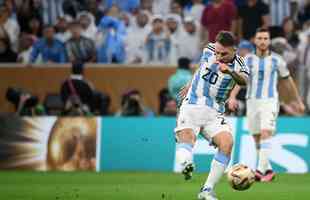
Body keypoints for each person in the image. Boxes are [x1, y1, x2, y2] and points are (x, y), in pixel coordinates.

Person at [175, 31, 249, 200]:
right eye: (217, 52)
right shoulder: (208, 49)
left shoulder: (240, 65)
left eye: (224, 54)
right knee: (186, 137)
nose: (219, 56)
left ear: (234, 50)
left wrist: (229, 71)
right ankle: (186, 164)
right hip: (192, 104)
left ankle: (206, 190)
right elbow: (201, 67)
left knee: (227, 143)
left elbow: (243, 81)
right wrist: (189, 83)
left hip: (214, 112)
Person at [228, 28, 305, 182]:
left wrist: (298, 101)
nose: (263, 41)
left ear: (269, 41)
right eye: (260, 38)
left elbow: (288, 81)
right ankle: (268, 170)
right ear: (255, 41)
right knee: (257, 138)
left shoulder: (277, 60)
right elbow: (241, 80)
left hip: (270, 101)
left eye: (265, 38)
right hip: (252, 102)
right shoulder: (248, 59)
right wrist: (232, 96)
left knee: (265, 133)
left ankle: (259, 171)